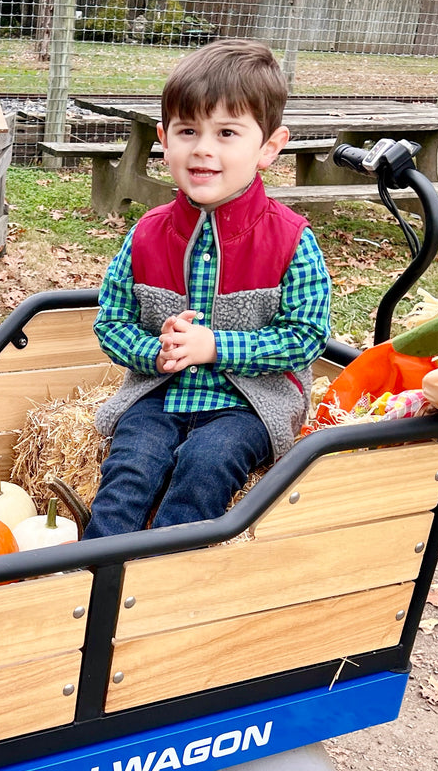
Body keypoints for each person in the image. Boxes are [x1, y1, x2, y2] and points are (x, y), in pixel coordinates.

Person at [84, 39, 332, 538]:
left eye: (227, 133)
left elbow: (306, 335)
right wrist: (157, 350)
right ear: (164, 138)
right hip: (161, 393)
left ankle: (168, 573)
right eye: (188, 130)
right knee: (132, 465)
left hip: (251, 402)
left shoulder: (290, 240)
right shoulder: (147, 234)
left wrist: (216, 346)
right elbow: (110, 321)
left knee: (207, 461)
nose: (203, 148)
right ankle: (91, 573)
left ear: (269, 148)